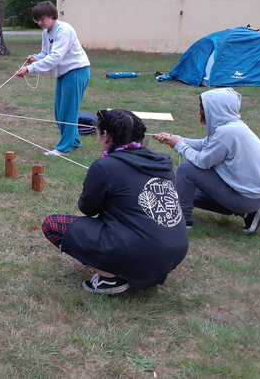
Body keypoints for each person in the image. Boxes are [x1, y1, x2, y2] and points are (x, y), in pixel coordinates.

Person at [41, 109, 188, 295]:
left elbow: (87, 208)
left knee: (52, 225)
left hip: (142, 250)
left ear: (106, 135)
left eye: (98, 131)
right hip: (175, 252)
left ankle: (110, 278)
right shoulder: (163, 161)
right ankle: (143, 269)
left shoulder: (105, 166)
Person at [153, 88, 260, 234]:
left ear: (216, 109)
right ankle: (249, 214)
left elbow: (202, 162)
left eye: (202, 108)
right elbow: (205, 144)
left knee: (186, 171)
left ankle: (182, 222)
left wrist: (178, 145)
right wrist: (176, 139)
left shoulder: (226, 133)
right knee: (181, 188)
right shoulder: (234, 127)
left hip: (245, 198)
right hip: (255, 197)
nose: (199, 112)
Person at [16, 1, 91, 156]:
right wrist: (35, 58)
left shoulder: (64, 30)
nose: (39, 22)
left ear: (51, 16)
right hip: (64, 73)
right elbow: (46, 54)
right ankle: (74, 141)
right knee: (59, 111)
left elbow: (56, 57)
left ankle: (64, 148)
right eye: (37, 20)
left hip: (77, 71)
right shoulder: (46, 32)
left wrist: (29, 69)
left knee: (68, 111)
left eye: (42, 19)